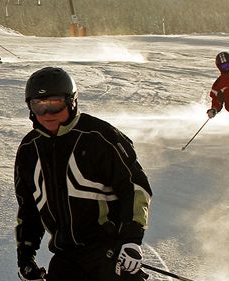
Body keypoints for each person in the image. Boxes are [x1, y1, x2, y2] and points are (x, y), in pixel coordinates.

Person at [14, 67, 152, 281]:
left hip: (108, 251)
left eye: (55, 104)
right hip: (66, 255)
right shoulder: (30, 149)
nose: (47, 114)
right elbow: (29, 208)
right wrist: (26, 256)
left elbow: (134, 187)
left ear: (71, 102)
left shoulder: (99, 137)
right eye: (39, 106)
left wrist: (131, 239)